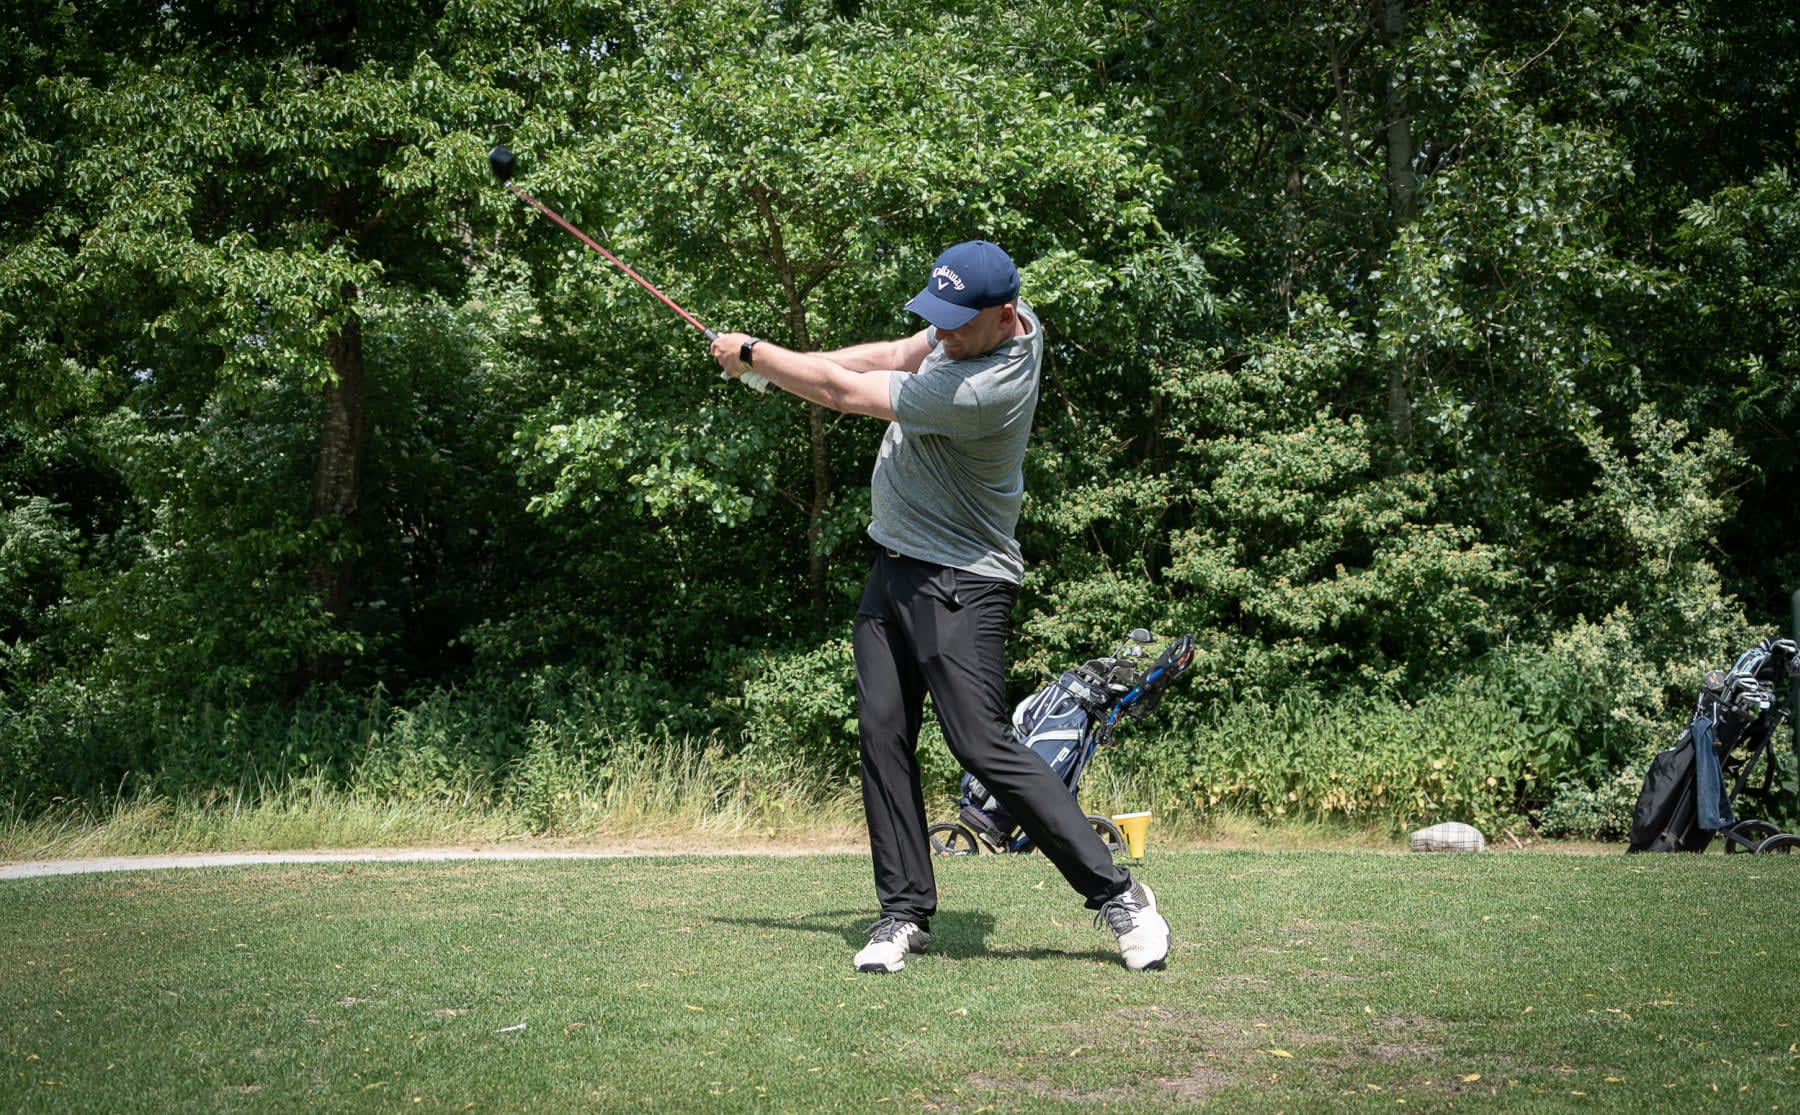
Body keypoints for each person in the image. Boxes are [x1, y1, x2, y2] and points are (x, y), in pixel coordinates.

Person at [710, 240, 1169, 973]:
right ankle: (903, 913)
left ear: (1003, 317)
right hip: (892, 568)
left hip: (964, 579)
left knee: (982, 743)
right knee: (882, 731)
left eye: (957, 325)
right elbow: (894, 350)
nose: (943, 337)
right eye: (940, 319)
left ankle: (1119, 894)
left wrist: (760, 355)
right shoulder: (995, 319)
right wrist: (776, 360)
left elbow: (842, 393)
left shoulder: (984, 389)